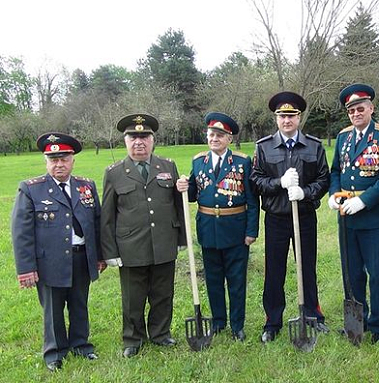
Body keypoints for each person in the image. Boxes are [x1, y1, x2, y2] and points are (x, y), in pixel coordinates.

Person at [12, 132, 106, 372]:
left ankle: (81, 345)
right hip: (49, 262)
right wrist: (26, 269)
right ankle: (54, 352)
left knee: (79, 304)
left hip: (81, 257)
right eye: (53, 159)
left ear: (72, 160)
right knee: (53, 310)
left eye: (64, 159)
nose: (59, 164)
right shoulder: (31, 189)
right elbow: (21, 233)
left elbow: (96, 223)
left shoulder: (86, 186)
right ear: (46, 161)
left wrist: (100, 256)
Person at [100, 114, 186, 358]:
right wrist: (110, 252)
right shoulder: (114, 173)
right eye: (133, 137)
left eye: (144, 137)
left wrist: (180, 239)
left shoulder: (167, 167)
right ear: (125, 141)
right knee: (133, 297)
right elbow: (107, 216)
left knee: (163, 293)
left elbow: (177, 204)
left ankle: (160, 333)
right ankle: (133, 338)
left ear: (152, 140)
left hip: (163, 241)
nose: (139, 142)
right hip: (130, 246)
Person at [250, 91, 330, 342]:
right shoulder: (263, 147)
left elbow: (324, 179)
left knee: (306, 267)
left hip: (304, 216)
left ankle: (312, 315)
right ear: (276, 119)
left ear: (299, 117)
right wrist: (280, 183)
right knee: (274, 270)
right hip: (276, 217)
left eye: (292, 115)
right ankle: (272, 321)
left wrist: (304, 192)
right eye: (282, 116)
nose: (287, 120)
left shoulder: (314, 146)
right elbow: (256, 180)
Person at [176, 112, 259, 342]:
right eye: (211, 134)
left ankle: (237, 325)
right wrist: (184, 185)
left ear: (229, 139)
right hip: (208, 229)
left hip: (236, 230)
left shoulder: (242, 162)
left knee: (236, 281)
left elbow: (252, 200)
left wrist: (252, 231)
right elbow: (193, 194)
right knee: (213, 280)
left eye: (220, 135)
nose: (214, 139)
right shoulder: (198, 161)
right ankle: (219, 322)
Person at [328, 83, 379, 343]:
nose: (356, 114)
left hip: (372, 215)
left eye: (360, 108)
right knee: (352, 271)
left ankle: (378, 325)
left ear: (371, 108)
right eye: (351, 111)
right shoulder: (344, 136)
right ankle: (357, 320)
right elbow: (335, 170)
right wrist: (333, 195)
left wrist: (364, 201)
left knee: (377, 272)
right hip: (346, 215)